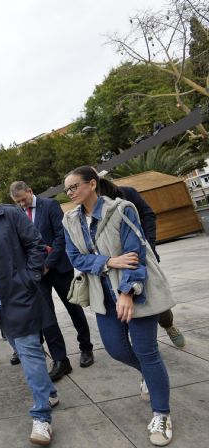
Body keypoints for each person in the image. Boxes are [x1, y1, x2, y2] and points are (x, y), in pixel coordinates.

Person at [62, 166, 175, 446]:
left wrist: (127, 292)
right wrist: (108, 262)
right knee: (115, 350)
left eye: (74, 186)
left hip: (134, 293)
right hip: (103, 297)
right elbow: (76, 258)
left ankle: (162, 413)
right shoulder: (70, 220)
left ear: (91, 184)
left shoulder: (122, 208)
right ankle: (149, 376)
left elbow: (134, 252)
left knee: (147, 352)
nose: (70, 193)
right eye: (67, 189)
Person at [0, 177, 58, 445]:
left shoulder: (12, 215)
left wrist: (28, 278)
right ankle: (49, 391)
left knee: (28, 354)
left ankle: (42, 417)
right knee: (23, 349)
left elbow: (36, 246)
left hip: (20, 297)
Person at [10, 181, 95, 378]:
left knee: (74, 308)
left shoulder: (49, 205)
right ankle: (60, 360)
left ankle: (86, 347)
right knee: (46, 317)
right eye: (17, 202)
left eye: (23, 199)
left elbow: (60, 236)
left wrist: (48, 263)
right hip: (37, 274)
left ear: (31, 190)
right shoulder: (17, 214)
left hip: (58, 267)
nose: (22, 204)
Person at [98, 178, 186, 349]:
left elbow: (148, 215)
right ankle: (142, 341)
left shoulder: (126, 193)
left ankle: (168, 324)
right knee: (124, 300)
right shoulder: (87, 205)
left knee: (153, 294)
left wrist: (148, 245)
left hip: (140, 255)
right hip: (114, 264)